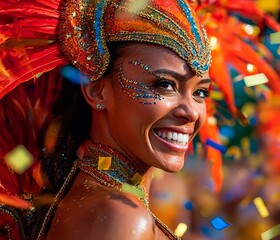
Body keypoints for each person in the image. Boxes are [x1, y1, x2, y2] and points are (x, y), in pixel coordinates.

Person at [0, 0, 211, 239]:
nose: (191, 112)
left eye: (200, 92)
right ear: (97, 91)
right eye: (164, 85)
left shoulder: (99, 199)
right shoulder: (120, 216)